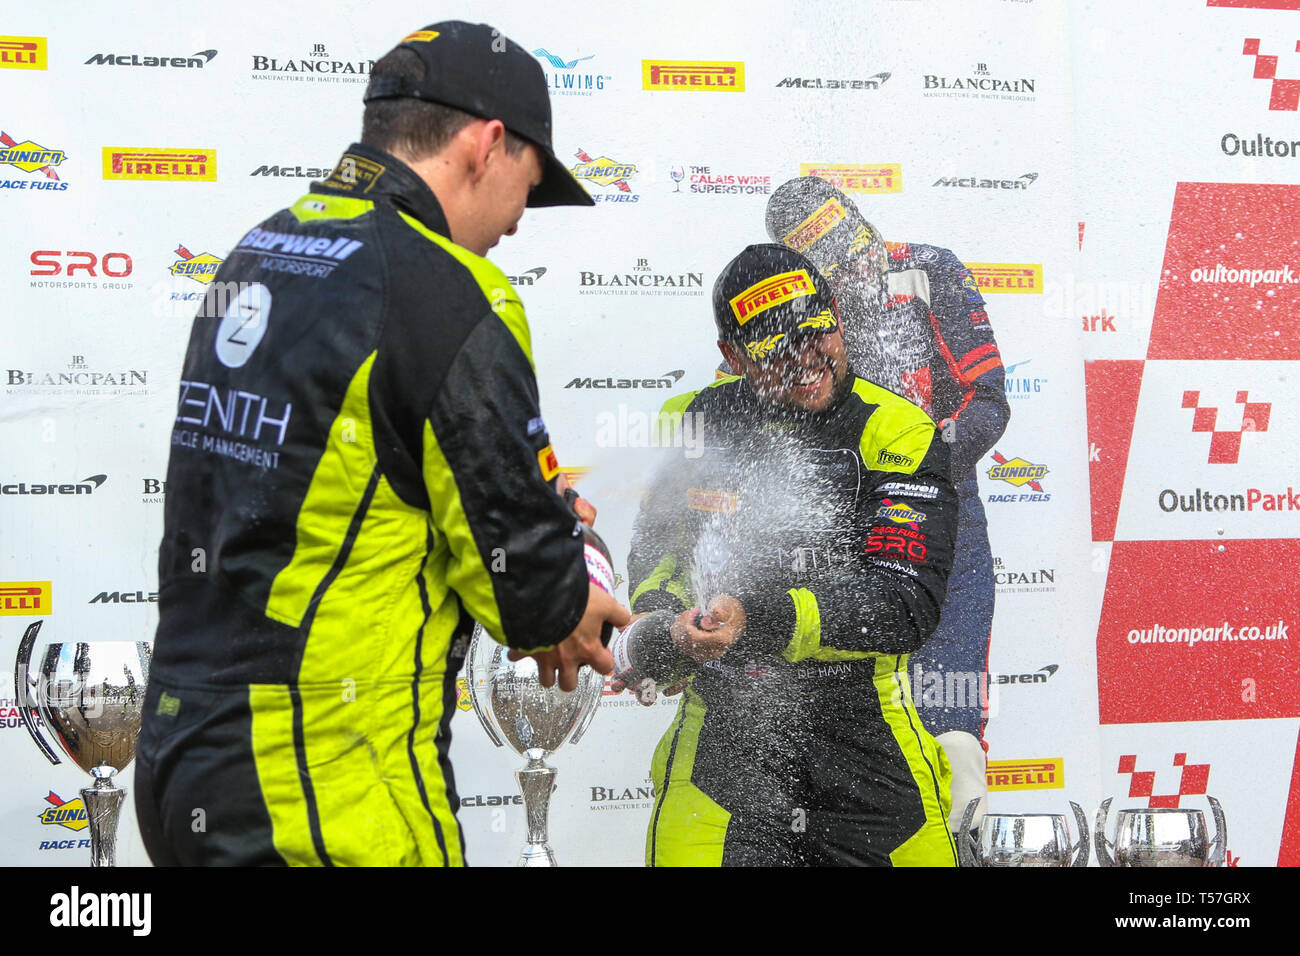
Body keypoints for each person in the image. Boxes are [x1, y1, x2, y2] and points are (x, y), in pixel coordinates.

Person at [136, 21, 628, 867]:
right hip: (324, 783)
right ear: (488, 144)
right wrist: (576, 559)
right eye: (531, 185)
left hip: (184, 758)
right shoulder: (453, 292)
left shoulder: (258, 252)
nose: (518, 222)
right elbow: (533, 602)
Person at [620, 244, 960, 866]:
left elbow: (904, 603)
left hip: (868, 752)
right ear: (732, 357)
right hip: (722, 748)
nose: (805, 359)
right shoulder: (692, 422)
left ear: (836, 318)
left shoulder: (897, 431)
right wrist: (668, 627)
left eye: (816, 332)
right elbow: (658, 561)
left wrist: (759, 618)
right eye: (776, 345)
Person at [764, 177, 1010, 832]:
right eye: (825, 256)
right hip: (841, 539)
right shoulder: (795, 315)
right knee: (854, 740)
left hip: (948, 520)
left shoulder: (930, 268)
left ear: (860, 217)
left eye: (850, 237)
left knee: (951, 733)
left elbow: (988, 401)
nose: (851, 262)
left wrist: (918, 477)